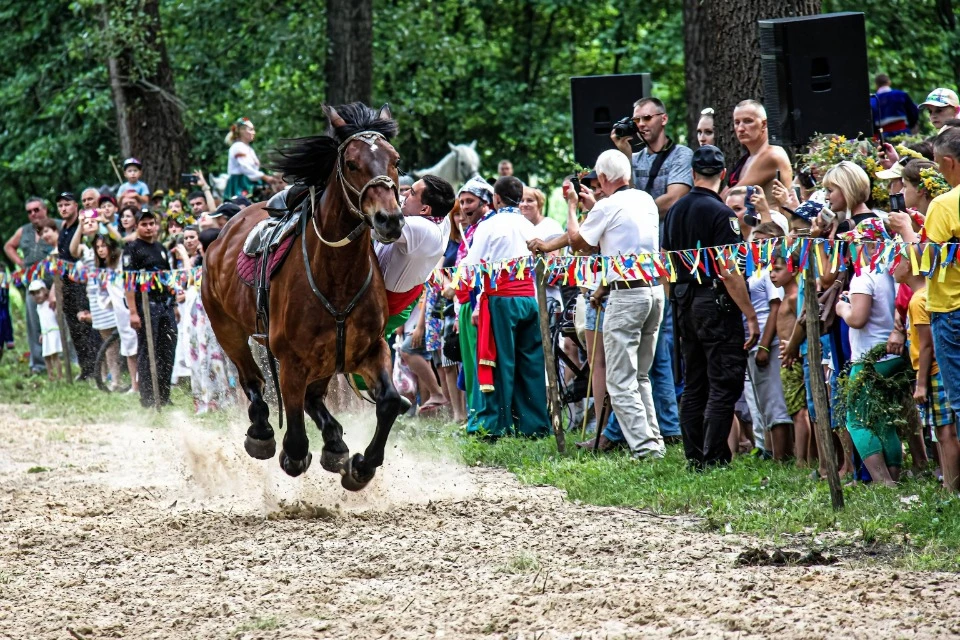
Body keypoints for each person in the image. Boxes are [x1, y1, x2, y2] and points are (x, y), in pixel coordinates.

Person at [533, 151, 665, 458]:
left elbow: (580, 243)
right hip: (653, 291)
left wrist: (569, 206)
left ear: (603, 179)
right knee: (641, 375)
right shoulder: (644, 200)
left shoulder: (607, 205)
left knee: (620, 381)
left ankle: (646, 450)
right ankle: (653, 442)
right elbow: (614, 231)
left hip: (626, 295)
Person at [662, 145, 760, 469]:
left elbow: (665, 260)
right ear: (722, 176)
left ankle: (694, 456)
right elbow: (730, 270)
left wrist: (673, 298)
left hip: (683, 302)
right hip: (714, 303)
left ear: (692, 174)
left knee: (694, 381)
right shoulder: (722, 215)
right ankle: (714, 457)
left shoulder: (674, 210)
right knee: (724, 380)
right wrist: (749, 314)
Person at [610, 96, 689, 444]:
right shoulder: (636, 158)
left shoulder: (682, 155)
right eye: (635, 119)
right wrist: (621, 150)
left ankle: (665, 426)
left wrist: (636, 211)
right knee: (647, 354)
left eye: (645, 118)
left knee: (661, 347)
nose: (640, 125)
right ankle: (659, 428)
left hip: (671, 257)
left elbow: (675, 197)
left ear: (663, 119)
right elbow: (620, 187)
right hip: (638, 262)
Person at [464, 176, 549, 438]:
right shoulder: (530, 225)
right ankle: (533, 425)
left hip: (502, 299)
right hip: (530, 299)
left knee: (500, 362)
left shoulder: (490, 226)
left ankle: (494, 425)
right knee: (531, 362)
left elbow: (472, 265)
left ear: (496, 199)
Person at [835, 220, 903, 487]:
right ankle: (893, 478)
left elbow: (858, 318)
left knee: (857, 420)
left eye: (855, 243)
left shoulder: (864, 276)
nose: (852, 249)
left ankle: (882, 480)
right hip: (892, 357)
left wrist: (843, 309)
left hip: (868, 359)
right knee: (885, 420)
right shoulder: (892, 272)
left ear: (867, 245)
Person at [384, 175, 456, 411]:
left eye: (411, 193)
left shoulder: (421, 227)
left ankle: (387, 393)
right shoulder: (439, 220)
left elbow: (374, 222)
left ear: (425, 209)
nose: (404, 195)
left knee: (404, 351)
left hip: (388, 300)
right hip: (399, 295)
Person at [894, 247, 958, 491]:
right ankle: (948, 483)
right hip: (931, 372)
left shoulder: (919, 300)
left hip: (932, 373)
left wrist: (920, 384)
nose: (893, 267)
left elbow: (927, 345)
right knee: (941, 433)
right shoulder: (921, 297)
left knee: (945, 432)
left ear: (909, 265)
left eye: (897, 261)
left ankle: (952, 489)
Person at [747, 223, 795, 460]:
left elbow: (774, 307)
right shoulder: (756, 268)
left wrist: (765, 345)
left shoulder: (770, 271)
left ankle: (781, 456)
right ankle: (769, 449)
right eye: (754, 240)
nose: (756, 245)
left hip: (770, 340)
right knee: (763, 400)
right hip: (755, 343)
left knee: (775, 399)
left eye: (762, 241)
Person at [451, 176, 495, 432]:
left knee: (481, 366)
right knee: (468, 366)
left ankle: (483, 421)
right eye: (463, 201)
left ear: (485, 202)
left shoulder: (486, 227)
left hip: (480, 304)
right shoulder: (469, 230)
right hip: (465, 304)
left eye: (471, 201)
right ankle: (474, 417)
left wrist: (475, 305)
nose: (465, 207)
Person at [123, 208, 178, 408]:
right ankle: (147, 397)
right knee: (149, 351)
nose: (148, 227)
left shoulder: (161, 247)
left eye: (151, 223)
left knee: (168, 348)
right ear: (137, 226)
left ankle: (164, 395)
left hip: (165, 304)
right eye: (144, 224)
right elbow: (128, 282)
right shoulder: (131, 249)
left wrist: (175, 304)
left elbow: (168, 276)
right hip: (145, 306)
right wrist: (132, 312)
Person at [4, 197, 60, 374]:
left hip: (55, 281)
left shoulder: (58, 224)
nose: (33, 214)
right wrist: (21, 263)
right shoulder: (24, 230)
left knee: (60, 321)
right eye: (29, 211)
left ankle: (66, 360)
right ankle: (38, 364)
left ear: (45, 209)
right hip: (33, 283)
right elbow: (8, 246)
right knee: (35, 323)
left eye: (36, 209)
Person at [768, 252, 813, 466]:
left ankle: (802, 459)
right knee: (796, 408)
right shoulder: (785, 296)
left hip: (793, 357)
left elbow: (803, 323)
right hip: (788, 356)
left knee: (799, 410)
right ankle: (804, 455)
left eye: (778, 269)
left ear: (794, 270)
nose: (772, 274)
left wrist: (792, 346)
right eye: (771, 269)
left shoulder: (795, 297)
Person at [69, 213, 119, 386]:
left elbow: (119, 242)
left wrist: (105, 223)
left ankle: (116, 378)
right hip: (96, 300)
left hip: (113, 298)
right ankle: (104, 377)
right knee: (102, 339)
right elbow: (73, 251)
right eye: (86, 222)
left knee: (114, 341)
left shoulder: (109, 245)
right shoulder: (86, 249)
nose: (89, 224)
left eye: (92, 221)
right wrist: (79, 226)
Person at [56, 191, 99, 381]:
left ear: (76, 206)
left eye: (67, 204)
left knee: (86, 325)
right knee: (74, 328)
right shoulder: (63, 228)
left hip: (84, 283)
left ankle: (96, 369)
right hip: (66, 284)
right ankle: (85, 369)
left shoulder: (83, 225)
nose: (64, 208)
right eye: (60, 205)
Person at [726, 100, 794, 202]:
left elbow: (731, 197)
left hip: (771, 217)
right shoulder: (749, 157)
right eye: (737, 122)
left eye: (748, 121)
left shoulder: (771, 154)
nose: (740, 128)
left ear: (764, 124)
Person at [224, 117, 278, 199]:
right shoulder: (237, 147)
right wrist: (264, 177)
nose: (254, 132)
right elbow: (246, 168)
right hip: (240, 184)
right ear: (241, 131)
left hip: (250, 182)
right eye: (251, 129)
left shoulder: (249, 148)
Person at [27, 280, 62, 381]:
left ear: (45, 291)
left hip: (53, 331)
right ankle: (50, 375)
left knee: (54, 355)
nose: (36, 296)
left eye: (38, 293)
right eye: (33, 294)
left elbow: (56, 315)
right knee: (46, 356)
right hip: (46, 332)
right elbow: (43, 321)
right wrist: (42, 333)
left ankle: (59, 375)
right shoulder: (38, 307)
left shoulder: (50, 303)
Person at [871, 74, 919, 139]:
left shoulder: (873, 100)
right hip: (902, 132)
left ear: (876, 85)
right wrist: (911, 125)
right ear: (889, 82)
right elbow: (913, 111)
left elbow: (871, 121)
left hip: (883, 136)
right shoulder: (900, 94)